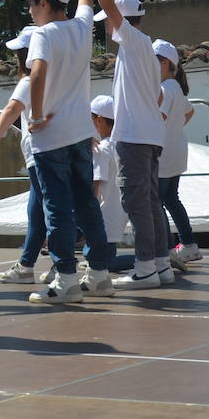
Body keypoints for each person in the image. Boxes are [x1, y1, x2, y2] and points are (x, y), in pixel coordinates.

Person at [19, 0, 111, 304]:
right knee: (86, 205)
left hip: (51, 137)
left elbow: (37, 73)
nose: (29, 10)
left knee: (56, 208)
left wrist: (37, 116)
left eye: (30, 2)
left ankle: (67, 281)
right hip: (79, 134)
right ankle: (100, 274)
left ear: (43, 4)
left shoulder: (43, 35)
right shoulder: (80, 27)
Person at [84, 0, 168, 290]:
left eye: (108, 21)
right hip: (148, 136)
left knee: (137, 204)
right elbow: (159, 93)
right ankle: (160, 264)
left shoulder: (133, 41)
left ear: (121, 21)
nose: (105, 26)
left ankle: (146, 267)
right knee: (149, 202)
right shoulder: (143, 50)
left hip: (134, 138)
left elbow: (106, 3)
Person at [0, 27, 47, 285]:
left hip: (40, 154)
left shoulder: (29, 81)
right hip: (48, 152)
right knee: (39, 209)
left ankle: (59, 265)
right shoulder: (54, 78)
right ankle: (28, 262)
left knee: (47, 209)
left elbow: (12, 109)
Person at [154, 39, 199, 263]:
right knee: (171, 198)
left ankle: (169, 248)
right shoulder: (176, 88)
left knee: (158, 201)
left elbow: (157, 117)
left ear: (163, 63)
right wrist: (175, 127)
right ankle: (188, 244)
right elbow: (190, 112)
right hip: (177, 152)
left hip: (163, 156)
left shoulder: (164, 89)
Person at [89, 95, 128, 286]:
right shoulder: (122, 144)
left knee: (106, 263)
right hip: (120, 209)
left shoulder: (101, 148)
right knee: (101, 258)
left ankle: (153, 259)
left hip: (105, 212)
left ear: (100, 120)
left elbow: (96, 185)